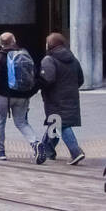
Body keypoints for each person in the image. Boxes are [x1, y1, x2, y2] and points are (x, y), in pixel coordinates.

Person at [0, 32, 40, 161]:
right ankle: (36, 143)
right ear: (14, 41)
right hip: (23, 95)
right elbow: (34, 74)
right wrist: (29, 93)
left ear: (0, 43)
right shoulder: (24, 55)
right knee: (22, 122)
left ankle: (0, 151)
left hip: (3, 95)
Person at [36, 32, 86, 166]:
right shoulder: (73, 59)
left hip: (55, 98)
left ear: (49, 45)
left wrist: (39, 84)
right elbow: (80, 79)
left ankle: (75, 151)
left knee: (62, 124)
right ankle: (48, 150)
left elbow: (48, 79)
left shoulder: (49, 60)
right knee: (55, 123)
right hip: (71, 97)